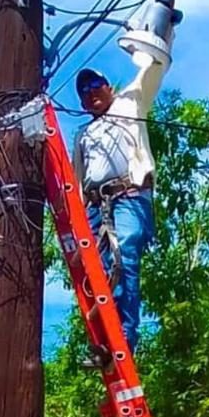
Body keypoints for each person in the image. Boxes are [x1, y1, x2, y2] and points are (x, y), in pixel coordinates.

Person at [72, 48, 169, 358]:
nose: (90, 93)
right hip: (97, 205)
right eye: (84, 91)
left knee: (124, 255)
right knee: (95, 273)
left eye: (95, 85)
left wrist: (158, 30)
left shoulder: (129, 103)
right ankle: (103, 340)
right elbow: (76, 181)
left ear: (109, 87)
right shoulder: (83, 135)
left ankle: (123, 338)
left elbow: (154, 68)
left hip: (129, 195)